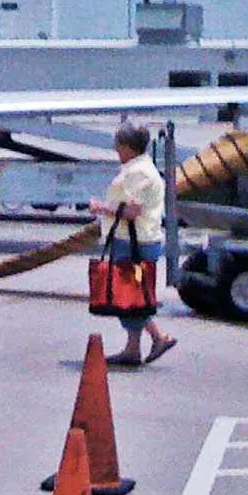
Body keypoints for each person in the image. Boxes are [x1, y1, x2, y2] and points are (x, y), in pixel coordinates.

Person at [87, 122, 178, 365]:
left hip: (134, 242)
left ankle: (158, 336)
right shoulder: (142, 168)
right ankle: (133, 348)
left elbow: (131, 211)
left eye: (118, 145)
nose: (116, 149)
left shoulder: (139, 172)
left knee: (130, 296)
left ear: (128, 146)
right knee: (132, 295)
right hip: (140, 239)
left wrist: (100, 208)